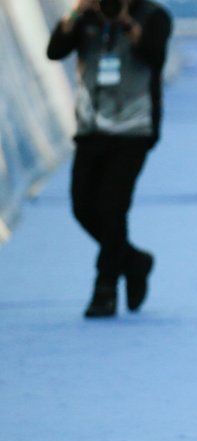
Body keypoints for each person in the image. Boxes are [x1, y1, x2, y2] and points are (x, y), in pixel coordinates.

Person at [47, 0, 171, 318]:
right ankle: (133, 261)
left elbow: (155, 58)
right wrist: (75, 12)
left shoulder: (154, 16)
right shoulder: (87, 16)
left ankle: (105, 287)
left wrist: (128, 24)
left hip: (134, 128)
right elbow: (55, 51)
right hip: (91, 128)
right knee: (82, 207)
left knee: (113, 208)